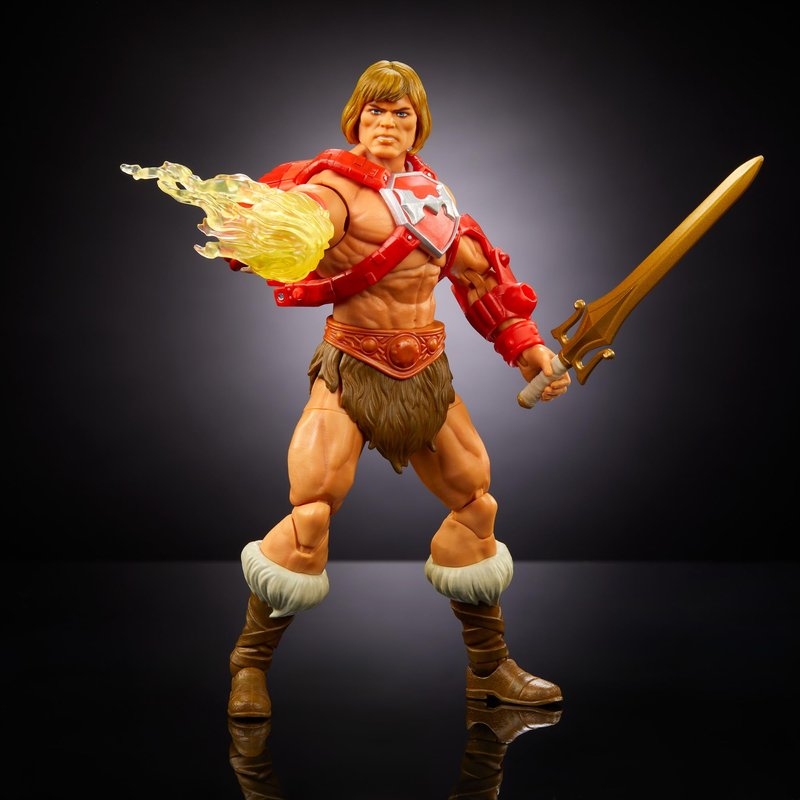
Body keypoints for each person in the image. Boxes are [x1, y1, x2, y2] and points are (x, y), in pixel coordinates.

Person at [123, 59, 571, 718]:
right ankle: (248, 665)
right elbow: (305, 219)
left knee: (476, 504)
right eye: (375, 111)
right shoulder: (333, 188)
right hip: (352, 367)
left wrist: (528, 349)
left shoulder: (435, 197)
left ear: (418, 125)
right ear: (355, 120)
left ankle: (490, 670)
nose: (387, 123)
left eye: (400, 112)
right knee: (310, 514)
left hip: (426, 371)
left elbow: (480, 277)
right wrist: (275, 227)